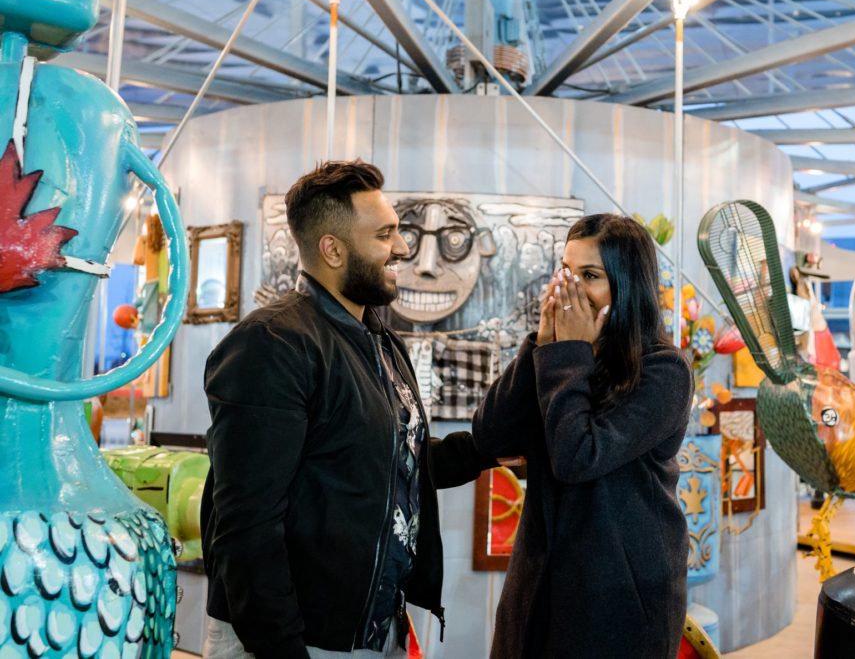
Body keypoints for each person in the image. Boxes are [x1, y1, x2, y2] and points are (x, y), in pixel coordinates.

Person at [201, 160, 494, 659]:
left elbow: (391, 462)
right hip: (298, 639)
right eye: (385, 235)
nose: (402, 248)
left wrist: (492, 447)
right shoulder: (273, 342)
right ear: (333, 249)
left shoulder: (378, 339)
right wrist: (284, 649)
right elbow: (246, 526)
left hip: (372, 630)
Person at [473, 213, 693, 658]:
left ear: (627, 285)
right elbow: (490, 436)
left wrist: (566, 353)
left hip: (618, 594)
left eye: (589, 276)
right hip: (539, 580)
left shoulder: (665, 370)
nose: (569, 289)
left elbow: (580, 455)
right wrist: (540, 342)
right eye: (565, 273)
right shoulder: (561, 357)